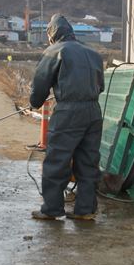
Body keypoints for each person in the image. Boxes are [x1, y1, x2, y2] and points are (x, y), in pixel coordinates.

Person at [29, 14, 104, 221]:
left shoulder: (54, 51)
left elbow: (40, 83)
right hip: (94, 112)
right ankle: (85, 210)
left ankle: (52, 209)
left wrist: (34, 102)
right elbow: (101, 86)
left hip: (69, 113)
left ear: (52, 34)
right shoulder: (93, 53)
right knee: (88, 161)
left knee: (57, 160)